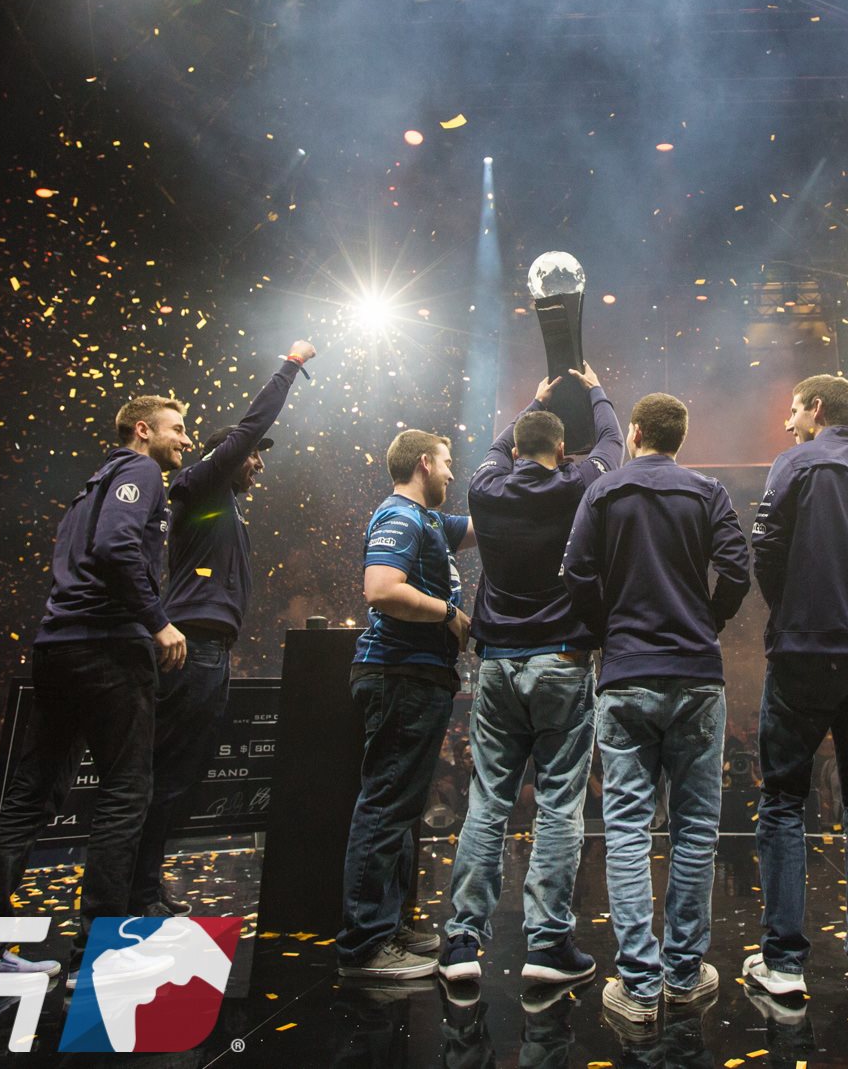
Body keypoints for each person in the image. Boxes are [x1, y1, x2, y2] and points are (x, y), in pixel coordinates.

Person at [0, 393, 192, 987]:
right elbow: (116, 548)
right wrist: (157, 620)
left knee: (30, 795)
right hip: (108, 647)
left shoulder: (89, 486)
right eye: (178, 428)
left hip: (56, 645)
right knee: (125, 792)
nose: (187, 440)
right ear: (142, 430)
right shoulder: (138, 470)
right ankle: (100, 953)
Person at [563, 392, 749, 1029]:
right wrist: (711, 619)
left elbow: (575, 572)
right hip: (697, 674)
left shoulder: (605, 492)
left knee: (628, 828)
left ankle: (638, 983)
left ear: (635, 432)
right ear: (680, 437)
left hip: (625, 676)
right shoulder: (706, 491)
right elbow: (739, 568)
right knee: (696, 828)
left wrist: (606, 632)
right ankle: (684, 972)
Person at [440, 364, 622, 987]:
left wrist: (532, 397)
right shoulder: (578, 484)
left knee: (487, 800)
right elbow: (613, 445)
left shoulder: (485, 487)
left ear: (516, 448)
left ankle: (462, 940)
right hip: (563, 659)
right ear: (562, 452)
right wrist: (595, 392)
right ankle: (547, 944)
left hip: (493, 665)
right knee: (559, 804)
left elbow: (494, 449)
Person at [743, 373, 848, 1001]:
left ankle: (784, 964)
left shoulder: (794, 464)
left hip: (803, 652)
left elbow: (765, 549)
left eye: (793, 411)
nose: (788, 423)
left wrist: (790, 614)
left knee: (785, 798)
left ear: (817, 409)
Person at [130, 339, 315, 916]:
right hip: (192, 647)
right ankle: (134, 893)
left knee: (182, 776)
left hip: (207, 648)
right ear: (229, 460)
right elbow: (246, 429)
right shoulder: (202, 487)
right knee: (170, 776)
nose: (259, 462)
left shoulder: (222, 505)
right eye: (253, 454)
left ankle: (140, 887)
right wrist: (289, 367)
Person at [337, 428, 477, 980]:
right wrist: (448, 614)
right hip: (399, 675)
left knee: (400, 808)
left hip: (419, 677)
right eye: (446, 464)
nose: (450, 474)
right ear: (423, 463)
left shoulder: (433, 523)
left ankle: (388, 926)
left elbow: (494, 520)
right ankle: (364, 945)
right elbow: (381, 588)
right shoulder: (400, 515)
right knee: (386, 805)